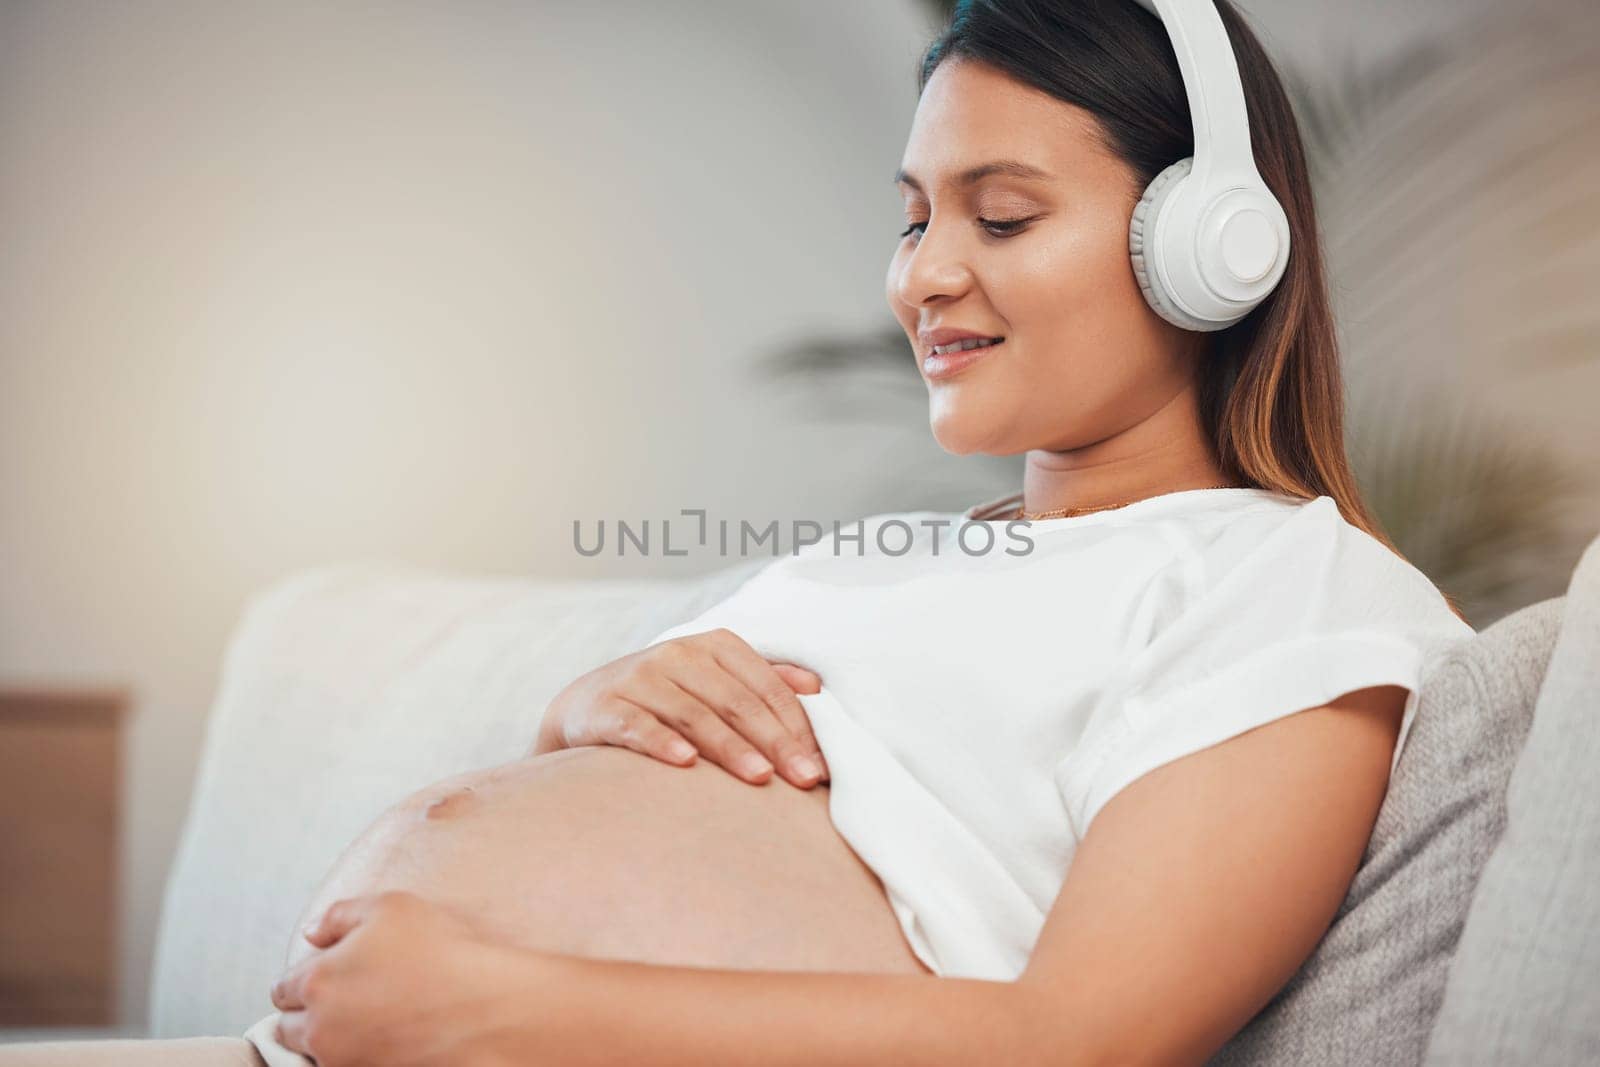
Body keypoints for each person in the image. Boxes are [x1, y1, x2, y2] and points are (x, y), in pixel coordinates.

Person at [0, 1, 1475, 1065]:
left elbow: (1073, 1041)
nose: (922, 279)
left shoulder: (1291, 587)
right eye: (912, 221)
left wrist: (507, 1010)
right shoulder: (874, 563)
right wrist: (578, 710)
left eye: (1003, 218)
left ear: (1215, 245)